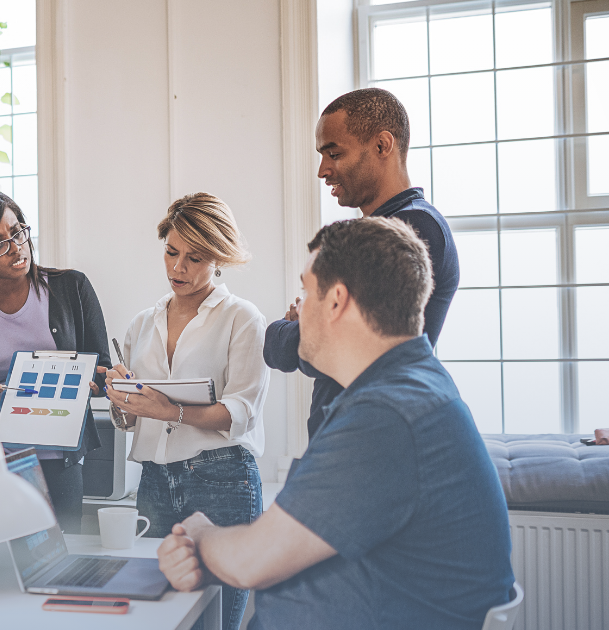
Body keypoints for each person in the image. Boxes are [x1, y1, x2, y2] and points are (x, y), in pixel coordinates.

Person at [157, 218, 514, 629]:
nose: (297, 309)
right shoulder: (415, 388)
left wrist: (200, 535)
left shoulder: (385, 416)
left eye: (306, 291)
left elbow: (251, 562)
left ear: (336, 301)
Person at [102, 192, 269, 630]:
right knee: (159, 620)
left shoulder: (242, 318)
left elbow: (240, 413)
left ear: (219, 258)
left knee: (219, 622)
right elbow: (132, 420)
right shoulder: (142, 323)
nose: (178, 268)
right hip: (154, 484)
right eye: (172, 252)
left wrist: (170, 410)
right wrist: (119, 398)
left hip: (223, 480)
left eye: (194, 258)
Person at [265, 87, 460, 438]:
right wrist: (314, 319)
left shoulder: (413, 228)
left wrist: (285, 330)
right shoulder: (377, 230)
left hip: (375, 435)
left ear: (382, 145)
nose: (323, 170)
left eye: (334, 153)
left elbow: (324, 346)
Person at [0, 189, 110, 533]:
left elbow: (101, 372)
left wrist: (99, 381)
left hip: (61, 463)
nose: (16, 248)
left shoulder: (72, 288)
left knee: (61, 568)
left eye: (18, 232)